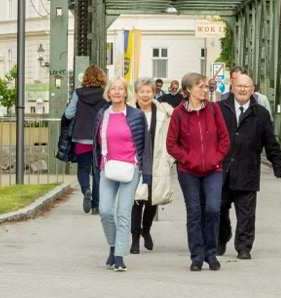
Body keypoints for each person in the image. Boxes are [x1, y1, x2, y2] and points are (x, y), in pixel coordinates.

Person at [165, 71, 230, 271]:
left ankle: (211, 253)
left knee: (212, 209)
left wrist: (215, 158)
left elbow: (224, 138)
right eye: (200, 86)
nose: (205, 89)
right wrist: (188, 159)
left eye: (205, 86)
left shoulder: (213, 110)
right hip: (188, 171)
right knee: (194, 212)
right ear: (188, 90)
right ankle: (197, 256)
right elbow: (171, 144)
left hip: (213, 169)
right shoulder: (178, 113)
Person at [217, 71, 281, 259]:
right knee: (219, 209)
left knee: (246, 213)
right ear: (232, 87)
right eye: (239, 86)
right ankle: (220, 239)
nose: (243, 89)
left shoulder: (260, 114)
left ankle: (244, 246)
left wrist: (277, 161)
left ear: (253, 90)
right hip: (222, 170)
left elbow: (270, 140)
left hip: (247, 170)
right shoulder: (219, 109)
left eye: (247, 86)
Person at [93, 77, 149, 272]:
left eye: (120, 89)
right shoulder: (102, 114)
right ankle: (113, 245)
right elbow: (97, 144)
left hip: (130, 169)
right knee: (105, 211)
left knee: (123, 213)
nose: (116, 92)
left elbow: (145, 146)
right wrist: (96, 167)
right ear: (108, 93)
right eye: (113, 89)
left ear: (126, 93)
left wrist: (146, 174)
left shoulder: (136, 115)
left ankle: (119, 256)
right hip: (107, 168)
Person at [130, 77, 174, 254]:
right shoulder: (129, 111)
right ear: (136, 93)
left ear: (153, 93)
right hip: (135, 160)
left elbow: (171, 136)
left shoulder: (164, 112)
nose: (145, 95)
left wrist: (169, 158)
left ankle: (146, 229)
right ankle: (134, 239)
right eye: (142, 92)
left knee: (152, 200)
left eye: (148, 91)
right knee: (135, 201)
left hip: (157, 159)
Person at [64, 65, 109, 214]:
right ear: (102, 77)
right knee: (98, 171)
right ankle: (96, 205)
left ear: (85, 78)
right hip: (100, 139)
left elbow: (69, 114)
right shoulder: (105, 94)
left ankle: (86, 190)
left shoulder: (78, 93)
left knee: (83, 169)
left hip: (81, 137)